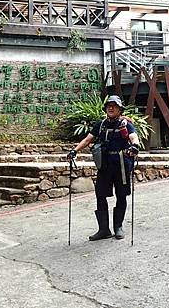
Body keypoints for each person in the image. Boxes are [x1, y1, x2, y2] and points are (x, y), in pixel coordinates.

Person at [67, 95, 140, 241]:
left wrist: (135, 146)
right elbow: (88, 139)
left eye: (114, 106)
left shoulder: (126, 124)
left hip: (121, 164)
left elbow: (133, 137)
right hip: (105, 165)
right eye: (108, 106)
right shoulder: (100, 125)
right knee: (100, 194)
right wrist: (74, 151)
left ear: (120, 109)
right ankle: (103, 230)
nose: (111, 108)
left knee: (121, 194)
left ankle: (118, 227)